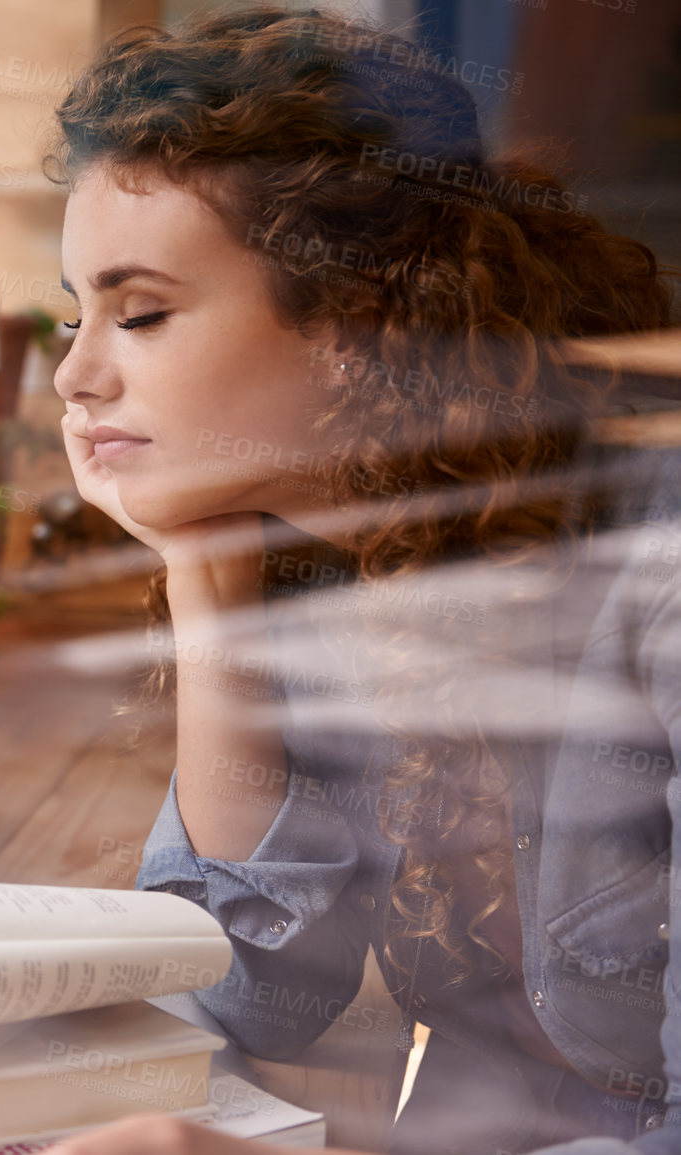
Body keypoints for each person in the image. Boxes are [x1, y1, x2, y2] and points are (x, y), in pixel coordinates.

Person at [36, 8, 679, 1155]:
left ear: (358, 320)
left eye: (140, 313)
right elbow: (252, 992)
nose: (75, 375)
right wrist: (203, 562)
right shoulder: (332, 560)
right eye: (74, 314)